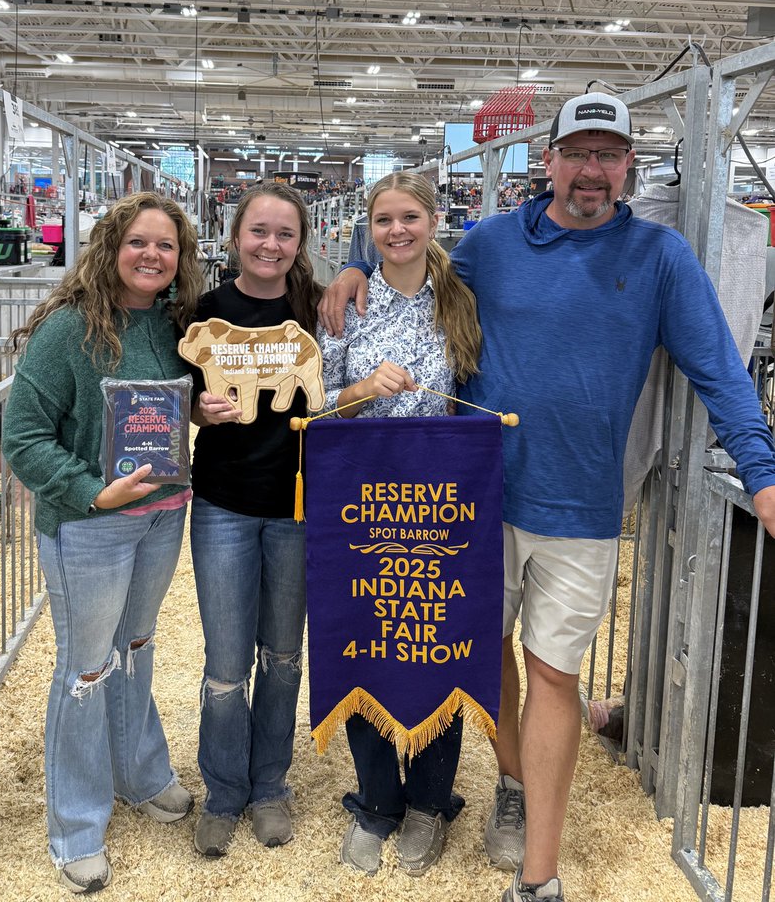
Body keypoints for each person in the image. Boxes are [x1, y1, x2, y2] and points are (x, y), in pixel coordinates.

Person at [319, 93, 775, 902]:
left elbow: (720, 373)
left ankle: (539, 877)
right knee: (486, 651)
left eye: (608, 154)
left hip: (583, 506)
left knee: (554, 672)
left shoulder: (661, 256)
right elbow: (406, 236)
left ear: (629, 164)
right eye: (578, 152)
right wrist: (355, 253)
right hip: (476, 497)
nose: (591, 169)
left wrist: (764, 475)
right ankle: (512, 784)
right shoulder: (492, 243)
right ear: (551, 160)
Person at [2, 191, 203, 894]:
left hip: (162, 515)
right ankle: (76, 826)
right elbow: (23, 438)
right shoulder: (67, 331)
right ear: (111, 247)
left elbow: (179, 407)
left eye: (166, 246)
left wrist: (201, 408)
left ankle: (139, 774)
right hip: (90, 524)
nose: (152, 256)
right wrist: (91, 490)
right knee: (86, 669)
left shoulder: (177, 324)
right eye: (139, 243)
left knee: (137, 648)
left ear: (181, 259)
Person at [316, 172, 481, 877]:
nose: (398, 230)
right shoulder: (344, 306)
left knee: (435, 646)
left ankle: (428, 804)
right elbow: (316, 405)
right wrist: (358, 389)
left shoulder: (463, 300)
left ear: (435, 219)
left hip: (442, 503)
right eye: (383, 220)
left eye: (410, 216)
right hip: (359, 500)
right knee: (366, 642)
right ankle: (378, 800)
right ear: (368, 228)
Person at [188, 182, 323, 858]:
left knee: (283, 655)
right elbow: (182, 398)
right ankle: (223, 792)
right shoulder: (204, 311)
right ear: (237, 233)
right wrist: (196, 412)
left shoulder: (318, 310)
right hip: (223, 505)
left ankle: (270, 784)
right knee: (224, 661)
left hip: (298, 508)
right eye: (259, 231)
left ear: (300, 243)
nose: (271, 245)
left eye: (284, 234)